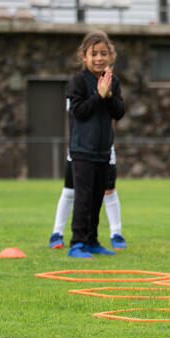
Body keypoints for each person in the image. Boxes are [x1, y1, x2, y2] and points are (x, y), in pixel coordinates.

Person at [65, 31, 125, 258]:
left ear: (111, 56)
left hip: (103, 151)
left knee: (97, 197)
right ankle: (77, 242)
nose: (99, 58)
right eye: (94, 54)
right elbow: (79, 112)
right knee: (83, 197)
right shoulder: (78, 81)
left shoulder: (113, 81)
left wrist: (108, 96)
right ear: (84, 56)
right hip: (82, 150)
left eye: (104, 53)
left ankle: (92, 240)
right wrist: (99, 96)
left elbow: (119, 113)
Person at [48, 142, 126, 250]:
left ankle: (116, 234)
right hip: (79, 147)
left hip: (103, 148)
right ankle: (57, 233)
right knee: (70, 191)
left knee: (109, 190)